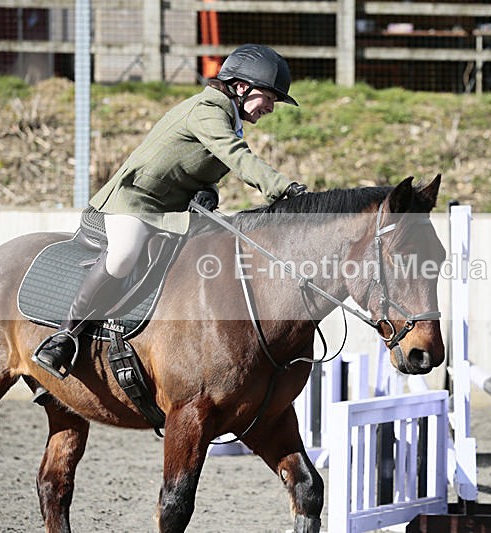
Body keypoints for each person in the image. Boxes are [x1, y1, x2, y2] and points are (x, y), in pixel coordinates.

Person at [33, 44, 307, 380]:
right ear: (241, 87)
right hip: (134, 202)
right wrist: (283, 188)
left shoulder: (227, 117)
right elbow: (237, 157)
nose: (271, 108)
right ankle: (65, 336)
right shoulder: (208, 110)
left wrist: (208, 191)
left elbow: (200, 166)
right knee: (123, 255)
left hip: (169, 209)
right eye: (269, 98)